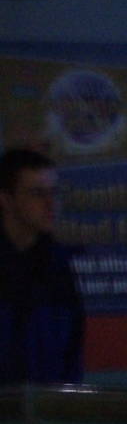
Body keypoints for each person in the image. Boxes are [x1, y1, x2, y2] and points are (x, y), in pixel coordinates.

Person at [1, 147, 84, 387]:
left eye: (54, 192)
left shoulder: (58, 266)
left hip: (48, 415)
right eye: (37, 193)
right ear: (6, 199)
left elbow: (72, 354)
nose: (50, 203)